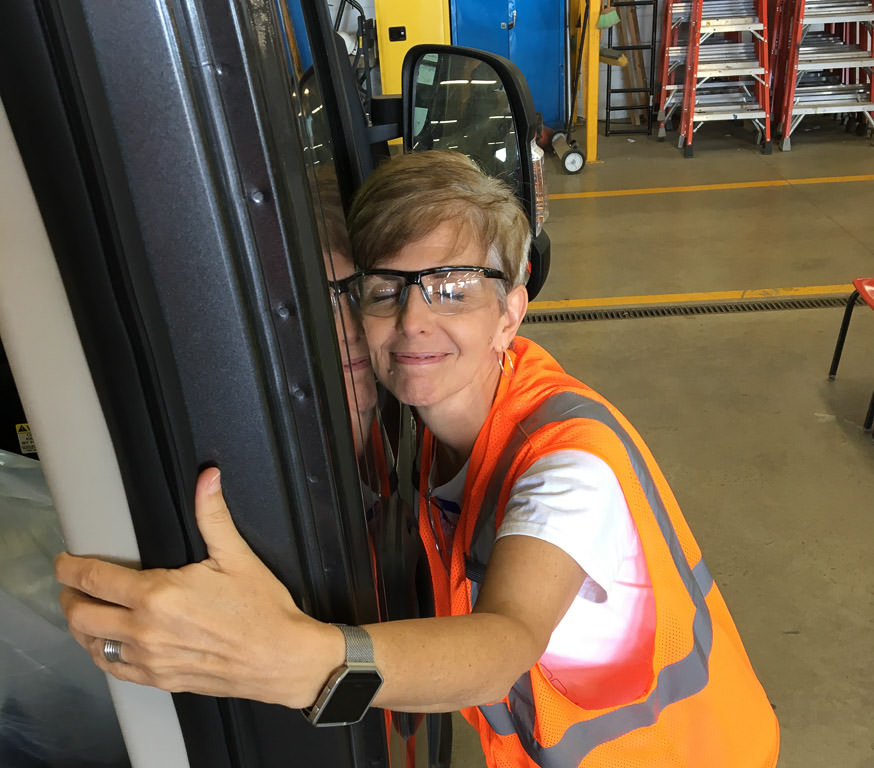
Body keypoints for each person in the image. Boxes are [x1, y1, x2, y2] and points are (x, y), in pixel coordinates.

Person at [56, 151, 779, 767]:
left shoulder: (569, 465)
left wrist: (295, 658)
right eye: (383, 292)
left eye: (452, 290)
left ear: (510, 313)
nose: (413, 321)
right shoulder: (432, 422)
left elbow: (503, 645)